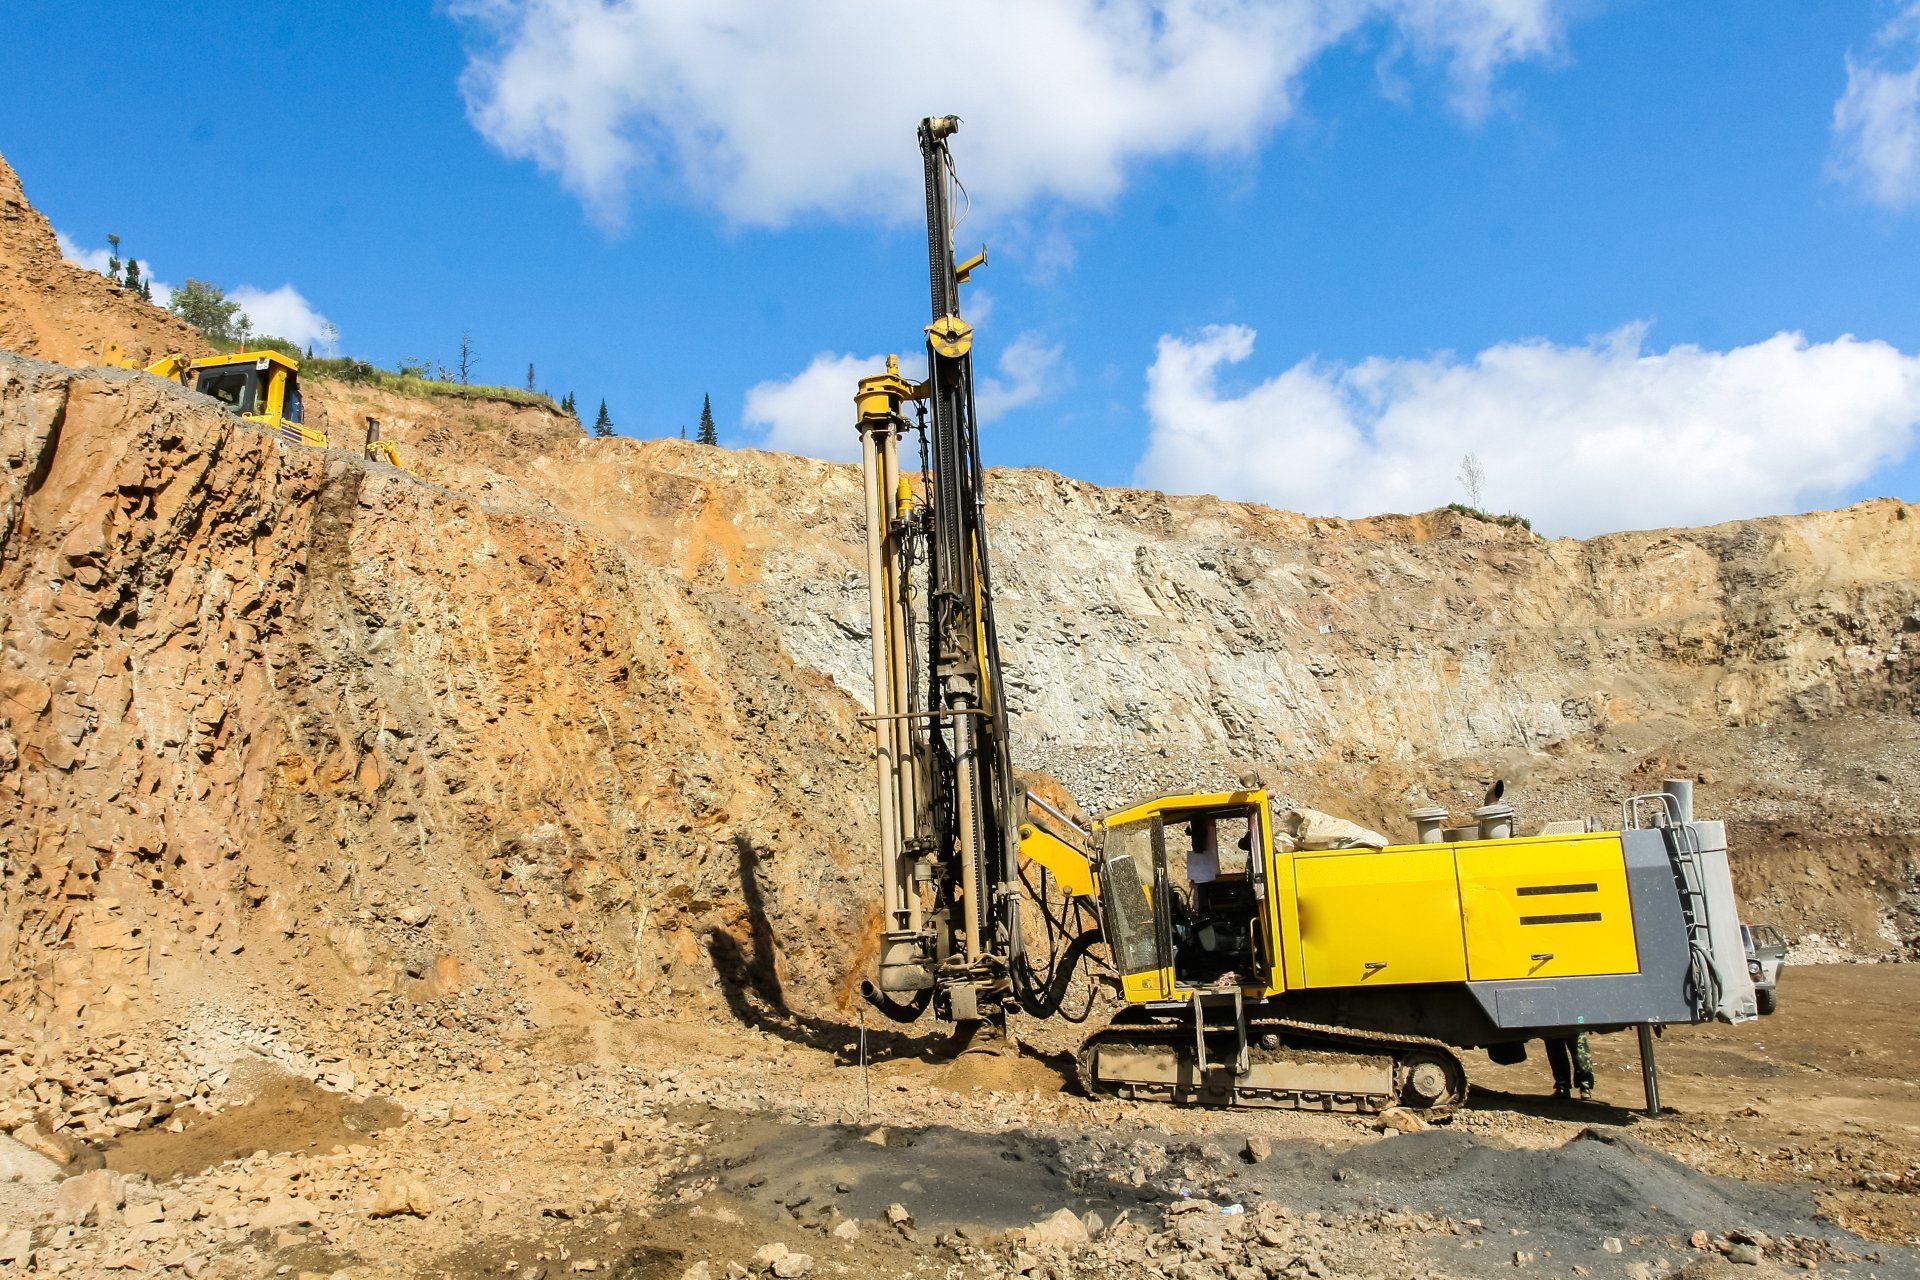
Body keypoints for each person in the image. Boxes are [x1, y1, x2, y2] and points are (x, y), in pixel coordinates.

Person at [1544, 1032, 1595, 1100]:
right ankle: (1563, 1087)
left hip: (1572, 1024)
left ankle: (1584, 1087)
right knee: (1555, 1048)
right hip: (1552, 1026)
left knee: (1579, 1050)